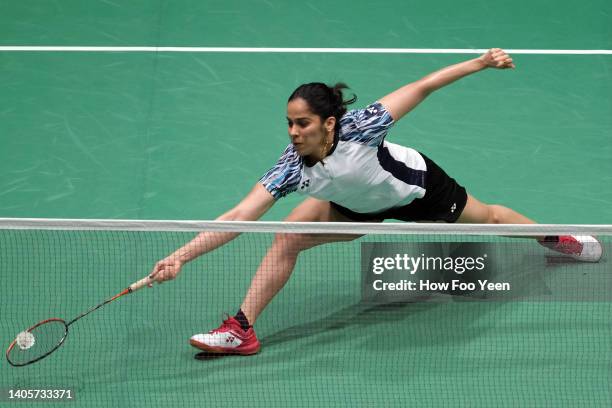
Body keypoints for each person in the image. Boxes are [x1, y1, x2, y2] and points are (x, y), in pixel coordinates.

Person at [149, 48, 602, 355]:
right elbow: (239, 217)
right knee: (285, 236)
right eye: (288, 123)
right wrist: (181, 256)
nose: (292, 132)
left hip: (417, 192)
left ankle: (555, 237)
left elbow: (423, 85)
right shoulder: (290, 165)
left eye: (302, 123)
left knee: (492, 217)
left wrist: (481, 62)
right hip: (354, 207)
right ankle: (243, 330)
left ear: (329, 123)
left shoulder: (363, 128)